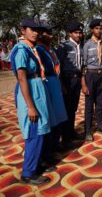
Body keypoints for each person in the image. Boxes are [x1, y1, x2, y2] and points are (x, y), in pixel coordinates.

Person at [10, 18, 51, 185]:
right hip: (30, 92)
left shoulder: (31, 48)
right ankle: (28, 173)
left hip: (36, 88)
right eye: (31, 29)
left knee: (40, 130)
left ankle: (36, 163)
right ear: (23, 30)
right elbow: (21, 78)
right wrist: (30, 106)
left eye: (37, 30)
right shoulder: (21, 50)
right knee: (34, 132)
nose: (36, 32)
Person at [36, 22, 67, 171]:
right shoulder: (38, 50)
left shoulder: (51, 49)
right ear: (41, 34)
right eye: (48, 33)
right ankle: (44, 157)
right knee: (47, 120)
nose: (51, 35)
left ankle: (54, 146)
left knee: (58, 118)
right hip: (46, 84)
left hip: (55, 82)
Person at [81, 19, 102, 141]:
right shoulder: (87, 45)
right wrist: (83, 83)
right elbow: (83, 66)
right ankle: (87, 130)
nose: (99, 31)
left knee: (100, 104)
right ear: (92, 30)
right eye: (97, 28)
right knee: (89, 105)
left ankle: (100, 126)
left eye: (101, 28)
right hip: (90, 75)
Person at [57, 21, 84, 147]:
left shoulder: (80, 46)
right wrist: (61, 84)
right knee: (66, 109)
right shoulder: (64, 47)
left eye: (80, 33)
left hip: (76, 80)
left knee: (73, 108)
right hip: (67, 80)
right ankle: (65, 138)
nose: (79, 35)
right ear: (70, 33)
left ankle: (71, 132)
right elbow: (58, 67)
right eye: (76, 33)